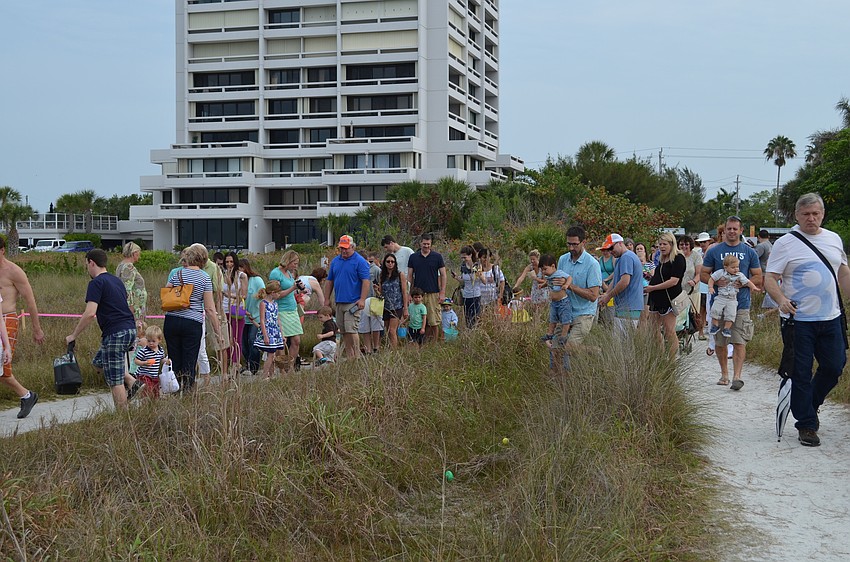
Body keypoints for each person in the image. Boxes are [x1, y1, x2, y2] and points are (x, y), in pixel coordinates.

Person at [764, 193, 850, 447]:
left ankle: (809, 403)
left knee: (835, 366)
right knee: (800, 372)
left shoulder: (833, 239)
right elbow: (770, 278)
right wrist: (780, 299)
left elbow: (842, 271)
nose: (811, 218)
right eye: (806, 214)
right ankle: (807, 425)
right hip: (798, 320)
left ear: (822, 214)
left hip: (831, 317)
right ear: (797, 215)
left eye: (815, 213)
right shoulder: (786, 243)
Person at [65, 249, 138, 409]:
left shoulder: (96, 283)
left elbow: (90, 313)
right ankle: (133, 382)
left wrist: (74, 335)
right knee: (99, 363)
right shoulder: (116, 281)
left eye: (87, 265)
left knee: (115, 379)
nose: (87, 269)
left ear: (91, 262)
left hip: (115, 333)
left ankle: (123, 415)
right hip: (130, 329)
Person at [701, 216, 762, 391]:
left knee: (739, 340)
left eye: (735, 229)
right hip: (720, 303)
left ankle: (737, 376)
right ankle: (724, 374)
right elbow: (704, 273)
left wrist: (745, 282)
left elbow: (758, 276)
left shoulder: (749, 252)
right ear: (724, 230)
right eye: (729, 228)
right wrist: (715, 282)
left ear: (741, 230)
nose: (732, 231)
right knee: (721, 341)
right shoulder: (714, 251)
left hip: (741, 303)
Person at [163, 244, 222, 391]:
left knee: (174, 358)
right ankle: (188, 392)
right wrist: (218, 331)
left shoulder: (178, 274)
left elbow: (167, 290)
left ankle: (174, 390)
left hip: (172, 320)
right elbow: (209, 308)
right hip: (192, 322)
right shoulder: (204, 278)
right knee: (190, 360)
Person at [0, 236, 44, 418]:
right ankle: (27, 395)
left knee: (3, 367)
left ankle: (27, 395)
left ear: (2, 250)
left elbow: (30, 300)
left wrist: (36, 328)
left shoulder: (14, 271)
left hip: (8, 319)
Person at [324, 235, 371, 359]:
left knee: (351, 329)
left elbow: (366, 281)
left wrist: (362, 299)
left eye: (346, 248)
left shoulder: (360, 261)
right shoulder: (335, 261)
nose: (344, 251)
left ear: (352, 247)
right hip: (339, 301)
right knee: (343, 330)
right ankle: (350, 355)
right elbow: (330, 281)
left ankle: (357, 354)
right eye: (341, 249)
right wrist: (327, 299)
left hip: (353, 302)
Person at [556, 225, 603, 346]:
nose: (571, 248)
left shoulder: (592, 264)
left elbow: (593, 296)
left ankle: (593, 352)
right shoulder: (563, 259)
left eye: (575, 244)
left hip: (584, 313)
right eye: (568, 244)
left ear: (583, 242)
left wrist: (570, 285)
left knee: (569, 348)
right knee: (555, 348)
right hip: (565, 312)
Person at [644, 232, 687, 359]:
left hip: (669, 298)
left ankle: (672, 359)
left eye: (665, 244)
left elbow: (674, 280)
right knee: (653, 328)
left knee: (669, 330)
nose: (662, 247)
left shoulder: (678, 258)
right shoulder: (661, 258)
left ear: (671, 244)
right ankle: (660, 355)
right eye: (660, 245)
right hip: (656, 298)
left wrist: (653, 287)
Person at [598, 234, 644, 335]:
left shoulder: (626, 257)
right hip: (623, 307)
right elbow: (616, 279)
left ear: (620, 243)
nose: (610, 251)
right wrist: (606, 295)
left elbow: (624, 282)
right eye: (608, 249)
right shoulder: (620, 258)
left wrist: (608, 296)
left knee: (624, 345)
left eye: (611, 248)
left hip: (629, 308)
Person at [708, 255, 760, 339]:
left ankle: (727, 328)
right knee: (715, 310)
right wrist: (710, 287)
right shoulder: (720, 272)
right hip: (721, 296)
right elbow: (712, 279)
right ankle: (715, 325)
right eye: (733, 267)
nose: (736, 269)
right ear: (726, 267)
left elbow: (747, 282)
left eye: (737, 267)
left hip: (732, 298)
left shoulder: (739, 275)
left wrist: (753, 287)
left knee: (731, 314)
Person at [407, 233, 446, 342]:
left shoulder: (437, 257)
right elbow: (410, 276)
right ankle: (421, 342)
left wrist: (442, 292)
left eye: (428, 244)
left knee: (433, 321)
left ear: (431, 243)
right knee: (419, 320)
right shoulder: (413, 257)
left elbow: (443, 274)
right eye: (424, 244)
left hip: (433, 292)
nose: (426, 246)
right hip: (418, 294)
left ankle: (433, 343)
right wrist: (409, 293)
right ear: (420, 243)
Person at [270, 250, 304, 371]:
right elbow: (276, 294)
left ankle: (290, 365)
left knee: (296, 340)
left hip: (292, 309)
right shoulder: (276, 273)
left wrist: (299, 289)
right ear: (288, 261)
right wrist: (292, 288)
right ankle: (282, 368)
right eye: (294, 263)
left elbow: (291, 289)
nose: (295, 266)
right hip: (281, 310)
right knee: (282, 342)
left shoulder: (290, 273)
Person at [254, 280, 286, 381]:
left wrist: (282, 334)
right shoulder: (263, 303)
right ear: (273, 293)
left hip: (275, 331)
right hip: (268, 331)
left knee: (273, 353)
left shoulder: (275, 304)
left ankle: (271, 375)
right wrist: (265, 335)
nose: (279, 295)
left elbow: (278, 319)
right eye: (278, 293)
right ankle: (264, 375)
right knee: (271, 354)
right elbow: (262, 320)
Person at [538, 254, 572, 348]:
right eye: (542, 270)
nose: (543, 272)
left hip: (563, 302)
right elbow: (548, 282)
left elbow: (569, 277)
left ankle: (563, 336)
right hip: (554, 303)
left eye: (545, 269)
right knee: (552, 319)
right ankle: (549, 333)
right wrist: (542, 285)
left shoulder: (559, 273)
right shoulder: (549, 277)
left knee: (565, 319)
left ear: (553, 266)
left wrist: (566, 285)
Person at [239, 258, 265, 376]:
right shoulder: (236, 281)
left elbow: (264, 295)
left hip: (255, 317)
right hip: (242, 317)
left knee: (252, 340)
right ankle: (247, 364)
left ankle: (254, 367)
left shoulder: (257, 280)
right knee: (243, 343)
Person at [223, 251, 247, 371]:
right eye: (227, 261)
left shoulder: (241, 275)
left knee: (237, 337)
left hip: (236, 309)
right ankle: (226, 362)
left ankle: (235, 363)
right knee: (226, 338)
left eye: (231, 261)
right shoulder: (222, 274)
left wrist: (229, 295)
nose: (229, 264)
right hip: (224, 309)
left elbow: (244, 294)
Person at [378, 253, 408, 348]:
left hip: (397, 306)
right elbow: (380, 293)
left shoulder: (400, 275)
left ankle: (394, 351)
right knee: (387, 331)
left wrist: (405, 308)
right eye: (388, 261)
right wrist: (376, 290)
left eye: (392, 261)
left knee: (392, 330)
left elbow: (404, 291)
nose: (390, 263)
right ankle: (390, 348)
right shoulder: (382, 275)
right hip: (385, 306)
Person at [358, 251, 384, 353]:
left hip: (374, 300)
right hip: (362, 301)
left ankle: (376, 346)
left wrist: (378, 292)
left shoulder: (375, 269)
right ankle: (367, 348)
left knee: (376, 325)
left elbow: (380, 283)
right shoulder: (356, 270)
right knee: (364, 326)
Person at [133, 324, 169, 399]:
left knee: (155, 391)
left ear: (159, 340)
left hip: (154, 375)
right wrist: (144, 363)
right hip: (144, 375)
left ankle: (153, 404)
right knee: (147, 390)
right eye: (148, 341)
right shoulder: (144, 351)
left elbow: (161, 359)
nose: (151, 343)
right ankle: (144, 403)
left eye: (153, 341)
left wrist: (166, 361)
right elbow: (136, 361)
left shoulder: (160, 350)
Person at [451, 246, 482, 328]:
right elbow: (463, 281)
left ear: (470, 255)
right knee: (467, 318)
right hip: (466, 295)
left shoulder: (477, 265)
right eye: (462, 258)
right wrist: (456, 277)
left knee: (475, 317)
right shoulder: (463, 266)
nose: (463, 259)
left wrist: (477, 273)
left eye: (465, 257)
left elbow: (482, 280)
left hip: (475, 295)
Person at [677, 235, 702, 332]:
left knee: (692, 316)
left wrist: (694, 281)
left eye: (686, 244)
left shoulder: (696, 256)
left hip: (692, 291)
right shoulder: (676, 256)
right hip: (678, 291)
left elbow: (699, 273)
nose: (684, 246)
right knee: (679, 317)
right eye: (681, 244)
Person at [694, 231, 713, 339]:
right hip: (700, 286)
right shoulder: (698, 254)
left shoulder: (713, 253)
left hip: (709, 286)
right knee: (700, 310)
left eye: (704, 242)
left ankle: (710, 331)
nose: (702, 244)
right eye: (701, 242)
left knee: (709, 310)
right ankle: (700, 331)